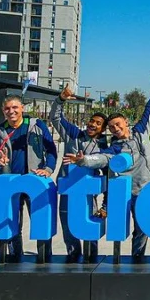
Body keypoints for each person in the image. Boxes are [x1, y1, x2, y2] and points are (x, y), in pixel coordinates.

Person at [69, 75, 150, 262]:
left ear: (125, 124)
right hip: (139, 196)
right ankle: (137, 262)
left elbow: (149, 111)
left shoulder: (141, 132)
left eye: (117, 125)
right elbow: (101, 158)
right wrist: (83, 160)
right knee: (140, 232)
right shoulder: (114, 149)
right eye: (111, 127)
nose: (115, 128)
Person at [0, 95, 58, 262]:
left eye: (15, 107)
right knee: (12, 226)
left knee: (41, 223)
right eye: (7, 108)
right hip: (9, 186)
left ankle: (45, 258)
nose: (11, 111)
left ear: (22, 108)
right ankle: (16, 257)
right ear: (3, 111)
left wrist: (48, 169)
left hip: (34, 184)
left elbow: (51, 150)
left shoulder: (37, 126)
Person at [50, 84, 110, 263]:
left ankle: (91, 259)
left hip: (87, 194)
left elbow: (108, 177)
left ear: (103, 129)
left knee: (89, 228)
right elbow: (55, 117)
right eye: (92, 121)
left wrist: (105, 205)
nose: (93, 124)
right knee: (68, 228)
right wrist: (60, 99)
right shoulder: (74, 134)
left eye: (98, 124)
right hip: (68, 190)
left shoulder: (104, 147)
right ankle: (73, 257)